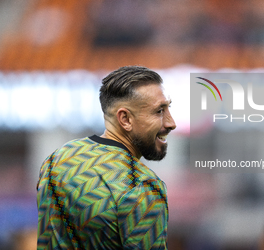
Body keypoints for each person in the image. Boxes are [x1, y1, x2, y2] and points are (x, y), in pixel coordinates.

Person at [36, 66, 176, 249]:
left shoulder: (57, 160)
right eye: (159, 111)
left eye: (168, 108)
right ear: (125, 119)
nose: (171, 123)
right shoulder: (141, 186)